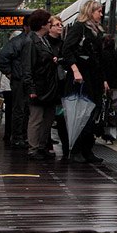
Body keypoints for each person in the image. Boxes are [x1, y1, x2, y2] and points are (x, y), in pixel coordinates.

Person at [62, 0, 109, 164]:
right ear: (90, 12)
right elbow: (66, 49)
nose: (101, 14)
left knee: (92, 113)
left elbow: (99, 58)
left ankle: (87, 149)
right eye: (98, 11)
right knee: (81, 114)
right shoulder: (79, 28)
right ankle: (76, 150)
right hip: (81, 77)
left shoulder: (96, 31)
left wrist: (103, 79)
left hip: (93, 77)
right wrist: (75, 70)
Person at [22, 10, 61, 160]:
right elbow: (28, 67)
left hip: (47, 86)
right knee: (36, 118)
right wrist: (31, 88)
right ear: (43, 24)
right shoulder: (31, 42)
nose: (51, 24)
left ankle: (42, 145)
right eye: (49, 22)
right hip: (39, 86)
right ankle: (34, 148)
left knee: (47, 118)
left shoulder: (41, 40)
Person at [0, 17, 32, 149]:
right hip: (20, 80)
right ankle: (18, 137)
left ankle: (21, 136)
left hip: (22, 79)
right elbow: (2, 58)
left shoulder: (24, 41)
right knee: (20, 109)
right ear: (26, 27)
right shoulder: (19, 42)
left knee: (24, 109)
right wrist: (10, 74)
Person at [46, 15, 70, 159]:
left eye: (61, 24)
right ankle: (47, 145)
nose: (60, 26)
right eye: (57, 24)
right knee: (47, 118)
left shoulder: (63, 44)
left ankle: (66, 148)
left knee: (61, 119)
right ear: (50, 27)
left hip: (61, 86)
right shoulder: (44, 44)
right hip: (49, 86)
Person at [99, 35, 117, 143]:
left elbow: (100, 70)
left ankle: (103, 131)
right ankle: (112, 133)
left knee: (104, 109)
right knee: (114, 110)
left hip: (104, 86)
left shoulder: (101, 55)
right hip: (116, 87)